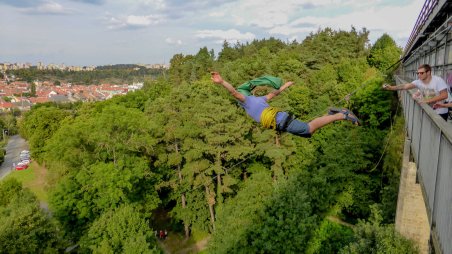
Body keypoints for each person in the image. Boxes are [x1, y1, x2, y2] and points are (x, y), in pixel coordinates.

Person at [210, 72, 360, 138]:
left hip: (281, 121)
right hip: (281, 120)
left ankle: (342, 115)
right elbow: (275, 93)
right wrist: (286, 85)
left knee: (309, 129)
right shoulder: (260, 99)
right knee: (310, 129)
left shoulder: (248, 102)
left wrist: (222, 82)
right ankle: (331, 114)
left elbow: (234, 93)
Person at [382, 64, 448, 120]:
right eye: (418, 73)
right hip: (428, 110)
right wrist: (391, 87)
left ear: (428, 72)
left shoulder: (438, 80)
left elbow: (444, 95)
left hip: (440, 112)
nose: (419, 75)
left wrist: (428, 101)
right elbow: (405, 86)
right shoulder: (418, 82)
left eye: (421, 73)